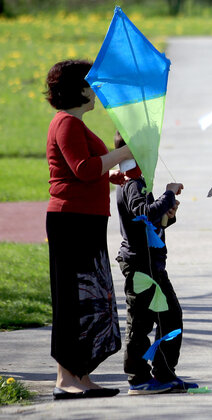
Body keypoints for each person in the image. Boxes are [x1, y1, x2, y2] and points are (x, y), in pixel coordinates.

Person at [44, 59, 133, 399]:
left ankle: (80, 375)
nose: (96, 89)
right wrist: (123, 152)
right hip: (71, 221)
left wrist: (115, 174)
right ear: (78, 89)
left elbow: (89, 171)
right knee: (72, 299)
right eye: (91, 83)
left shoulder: (76, 124)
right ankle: (65, 379)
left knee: (90, 298)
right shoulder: (65, 123)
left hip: (88, 219)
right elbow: (82, 169)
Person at [114, 133, 197, 395]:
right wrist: (168, 194)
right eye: (149, 150)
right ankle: (137, 378)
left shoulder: (141, 182)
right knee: (140, 322)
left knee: (171, 318)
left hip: (153, 265)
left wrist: (167, 214)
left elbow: (151, 223)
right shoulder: (131, 183)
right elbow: (142, 214)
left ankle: (164, 373)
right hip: (139, 267)